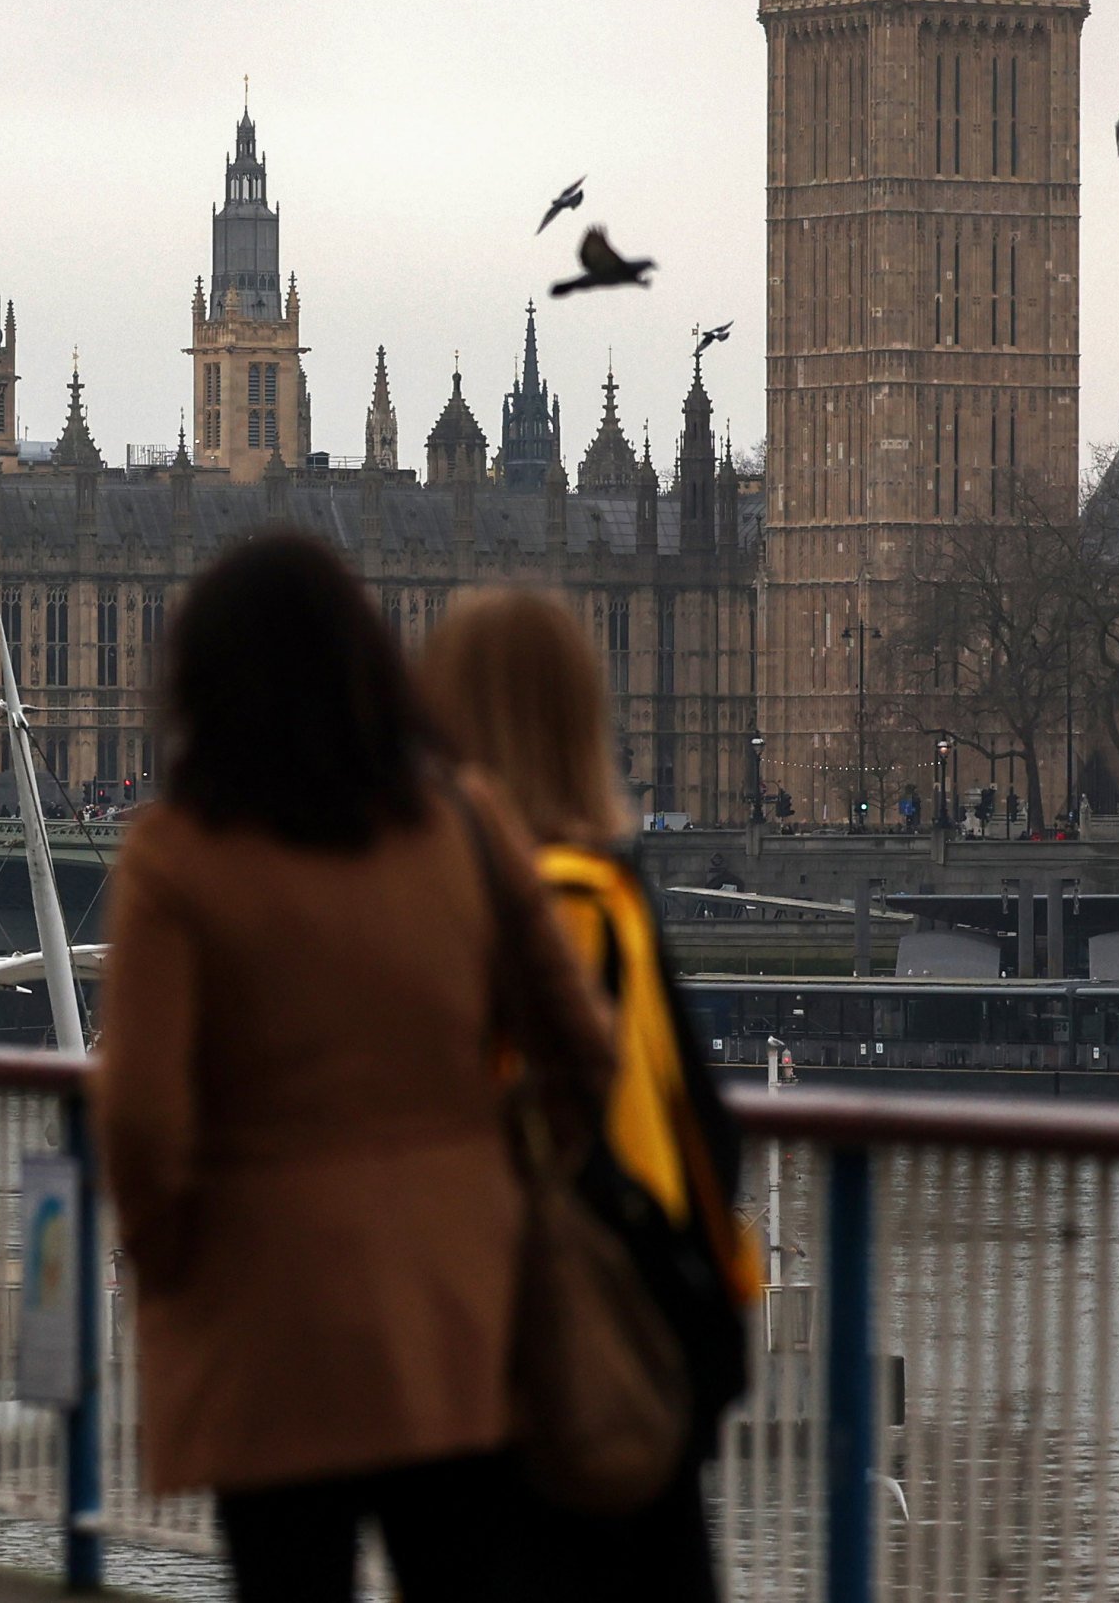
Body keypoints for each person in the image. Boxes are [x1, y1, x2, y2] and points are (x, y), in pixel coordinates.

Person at [93, 534, 601, 1603]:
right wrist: (496, 1185)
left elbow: (140, 1116)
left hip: (266, 1304)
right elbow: (584, 1051)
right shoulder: (470, 822)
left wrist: (172, 1258)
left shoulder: (176, 855)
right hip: (458, 1301)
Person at [421, 589, 761, 1603]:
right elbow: (687, 1127)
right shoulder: (593, 892)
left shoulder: (497, 899)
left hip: (507, 1348)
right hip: (613, 1341)